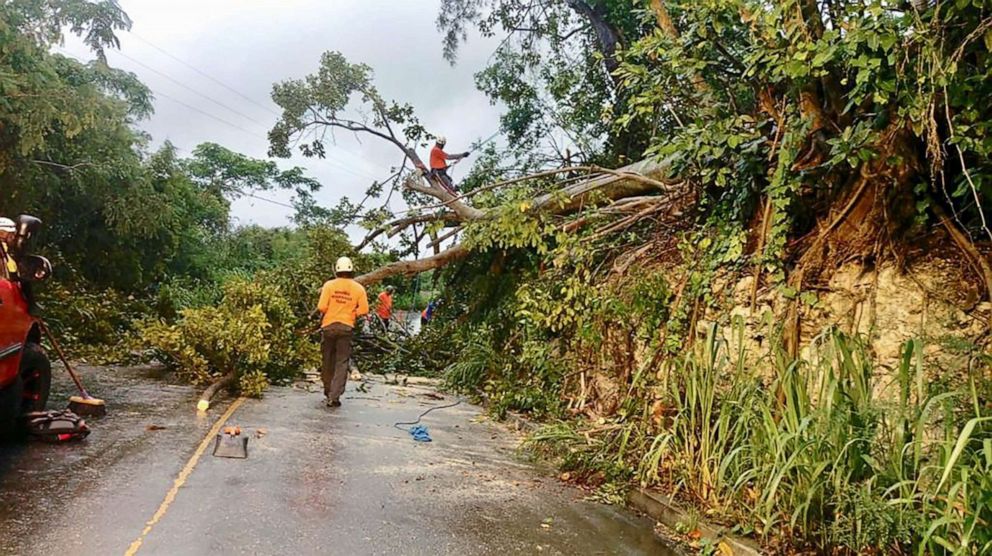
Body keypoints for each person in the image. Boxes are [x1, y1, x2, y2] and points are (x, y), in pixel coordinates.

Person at [316, 256, 369, 408]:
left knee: (327, 360)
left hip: (328, 326)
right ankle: (335, 396)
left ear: (337, 270)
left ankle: (328, 391)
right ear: (351, 270)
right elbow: (364, 310)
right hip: (346, 327)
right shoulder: (358, 288)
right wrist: (351, 312)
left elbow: (321, 307)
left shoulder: (329, 285)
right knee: (341, 362)